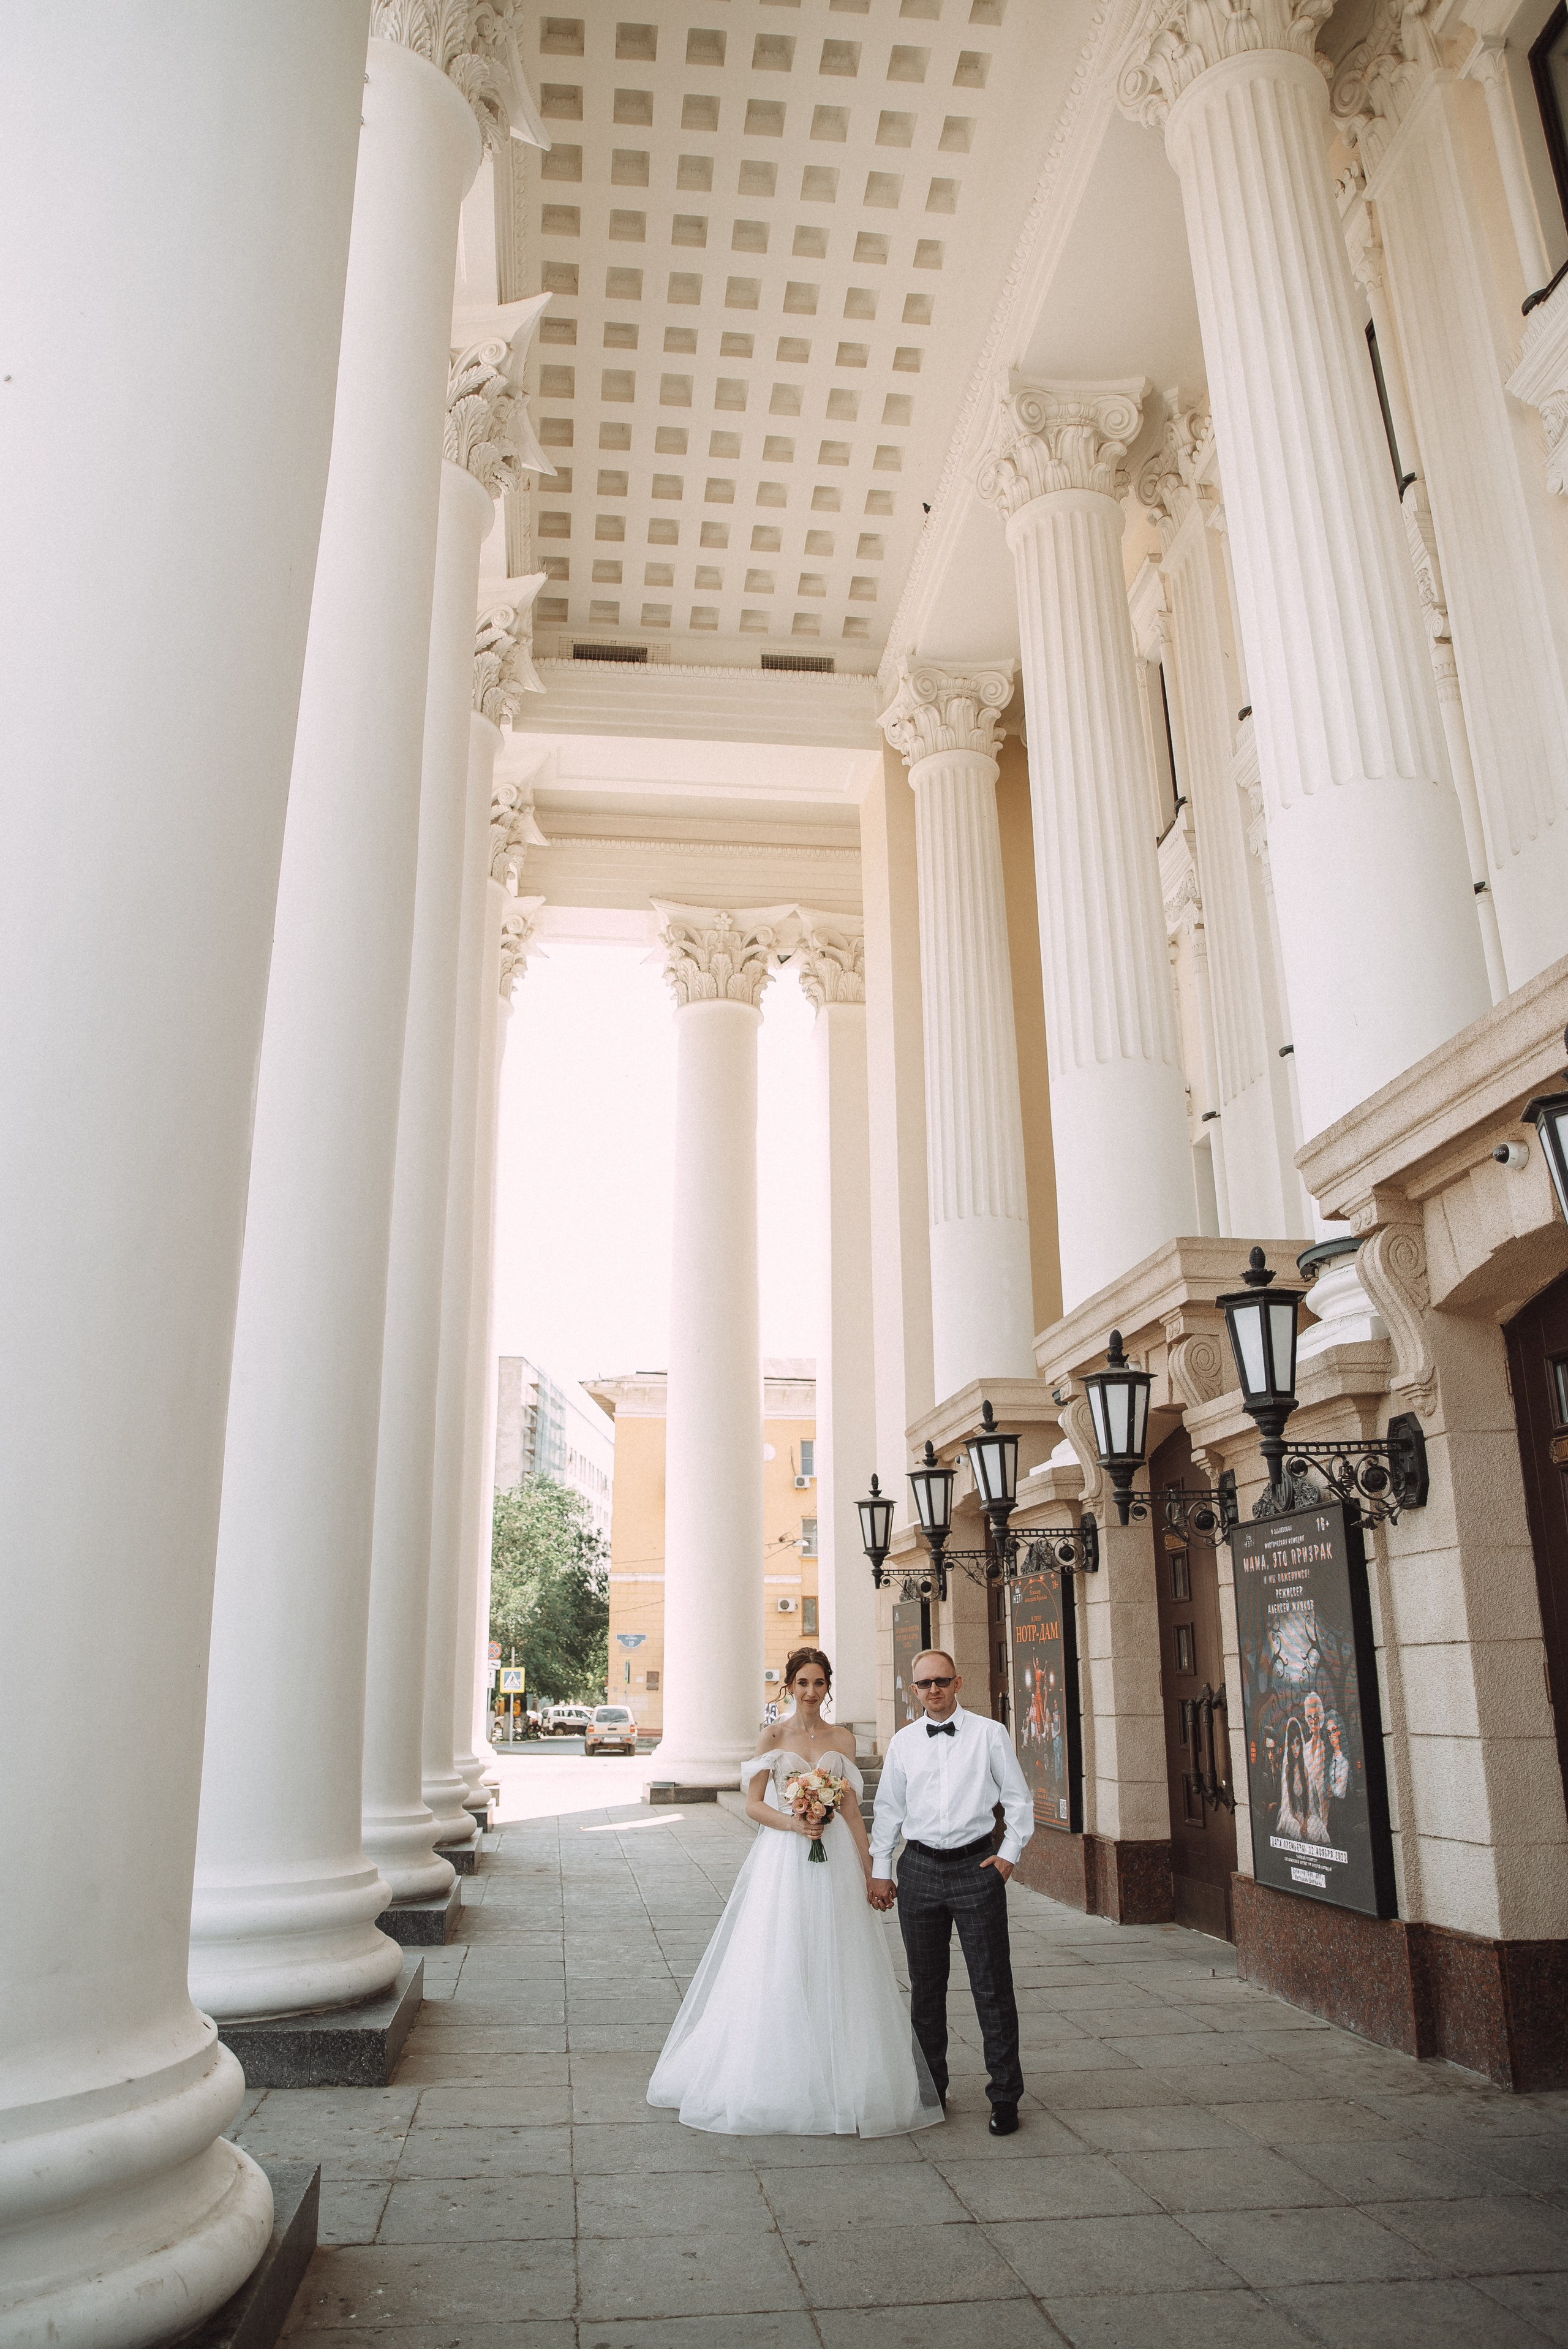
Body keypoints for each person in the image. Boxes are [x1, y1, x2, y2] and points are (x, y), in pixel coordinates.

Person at [646, 1647, 943, 2138]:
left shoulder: (841, 1738)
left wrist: (874, 1871)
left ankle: (844, 2075)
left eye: (819, 1683)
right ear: (790, 1687)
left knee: (841, 1959)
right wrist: (795, 1823)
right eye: (802, 1683)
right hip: (784, 1860)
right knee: (782, 1957)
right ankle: (777, 2074)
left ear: (828, 1687)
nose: (811, 1692)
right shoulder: (773, 1735)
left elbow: (850, 1813)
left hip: (837, 1863)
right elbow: (754, 1805)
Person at [869, 1649, 1034, 2136]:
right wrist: (882, 1869)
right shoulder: (903, 1743)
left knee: (991, 1986)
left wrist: (1008, 1855)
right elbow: (889, 1811)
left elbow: (1018, 1799)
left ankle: (1005, 2096)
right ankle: (930, 2088)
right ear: (914, 1691)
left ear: (958, 1683)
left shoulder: (989, 1734)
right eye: (924, 1684)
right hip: (918, 1869)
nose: (934, 1690)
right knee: (926, 1988)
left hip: (975, 1867)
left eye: (942, 1681)